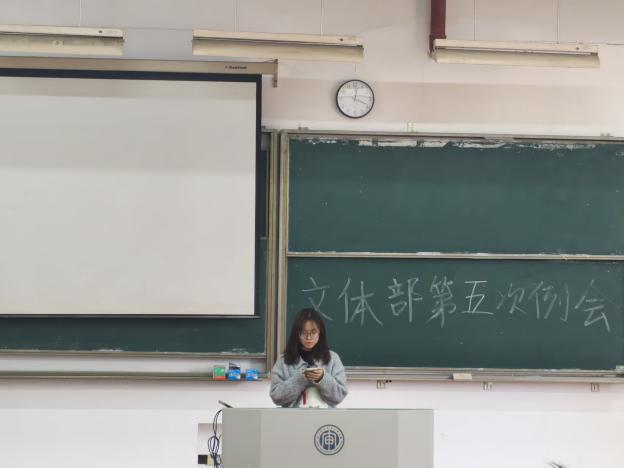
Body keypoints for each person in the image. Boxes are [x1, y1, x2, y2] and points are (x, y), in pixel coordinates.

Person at [270, 308, 348, 408]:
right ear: (297, 334)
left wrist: (323, 378)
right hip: (293, 417)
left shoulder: (333, 359)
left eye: (313, 332)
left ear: (320, 333)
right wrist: (300, 379)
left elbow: (339, 396)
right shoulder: (284, 360)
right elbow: (276, 397)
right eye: (304, 333)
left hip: (325, 417)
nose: (309, 337)